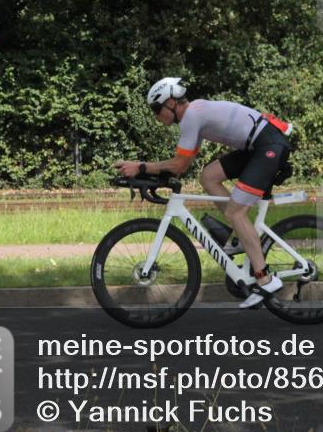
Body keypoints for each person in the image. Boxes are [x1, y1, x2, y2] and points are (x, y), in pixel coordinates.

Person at [113, 77, 293, 308]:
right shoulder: (195, 113)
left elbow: (178, 165)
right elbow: (184, 165)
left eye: (157, 109)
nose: (156, 116)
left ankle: (264, 278)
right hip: (258, 144)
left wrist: (141, 166)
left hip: (268, 145)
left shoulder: (191, 116)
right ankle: (240, 238)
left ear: (170, 103)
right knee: (209, 177)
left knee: (236, 213)